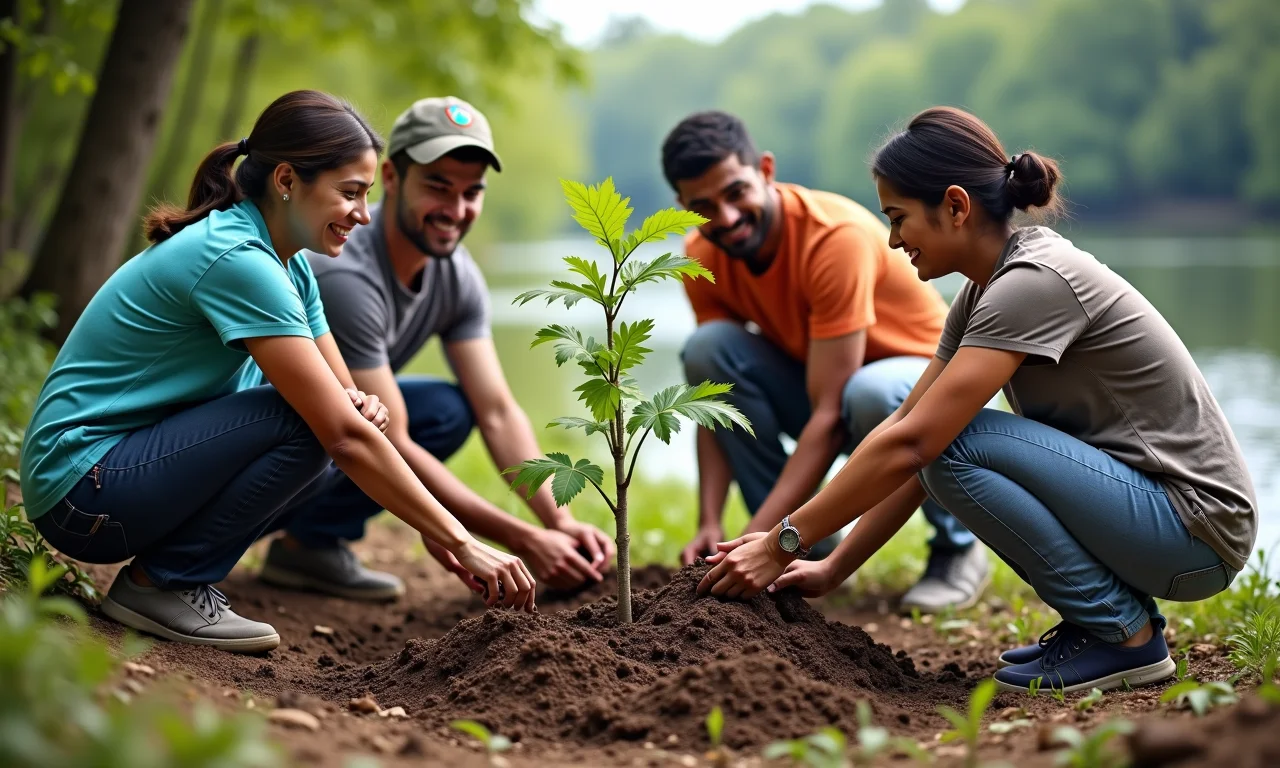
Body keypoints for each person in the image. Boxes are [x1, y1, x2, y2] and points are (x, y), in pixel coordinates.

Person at [696, 106, 1258, 694]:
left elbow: (920, 444)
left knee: (953, 441)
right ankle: (1106, 623)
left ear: (956, 207)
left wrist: (783, 541)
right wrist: (835, 565)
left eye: (898, 217)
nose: (891, 239)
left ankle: (1124, 637)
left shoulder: (1034, 282)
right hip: (1154, 519)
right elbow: (906, 426)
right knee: (943, 439)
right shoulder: (982, 291)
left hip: (1196, 529)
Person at [19, 90, 537, 655]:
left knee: (331, 422)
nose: (363, 214)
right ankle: (162, 583)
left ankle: (191, 572)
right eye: (349, 193)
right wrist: (462, 542)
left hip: (118, 478)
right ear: (288, 179)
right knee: (312, 423)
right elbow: (341, 428)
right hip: (82, 490)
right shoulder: (239, 261)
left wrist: (364, 414)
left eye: (365, 195)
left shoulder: (290, 264)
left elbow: (353, 401)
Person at [234, 96, 615, 600]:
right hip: (251, 466)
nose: (455, 211)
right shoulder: (346, 272)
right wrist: (521, 538)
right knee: (371, 426)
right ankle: (213, 551)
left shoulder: (456, 275)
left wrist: (557, 521)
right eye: (438, 186)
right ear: (390, 178)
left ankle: (310, 549)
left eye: (471, 192)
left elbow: (497, 411)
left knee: (447, 409)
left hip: (323, 450)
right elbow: (393, 442)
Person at [661, 110, 988, 612]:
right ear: (682, 205)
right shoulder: (700, 255)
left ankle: (956, 549)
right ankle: (806, 544)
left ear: (765, 170)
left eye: (735, 193)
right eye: (703, 207)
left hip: (915, 391)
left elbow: (830, 415)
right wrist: (710, 523)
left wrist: (753, 539)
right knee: (707, 352)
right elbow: (713, 405)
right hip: (825, 380)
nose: (725, 219)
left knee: (868, 393)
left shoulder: (832, 239)